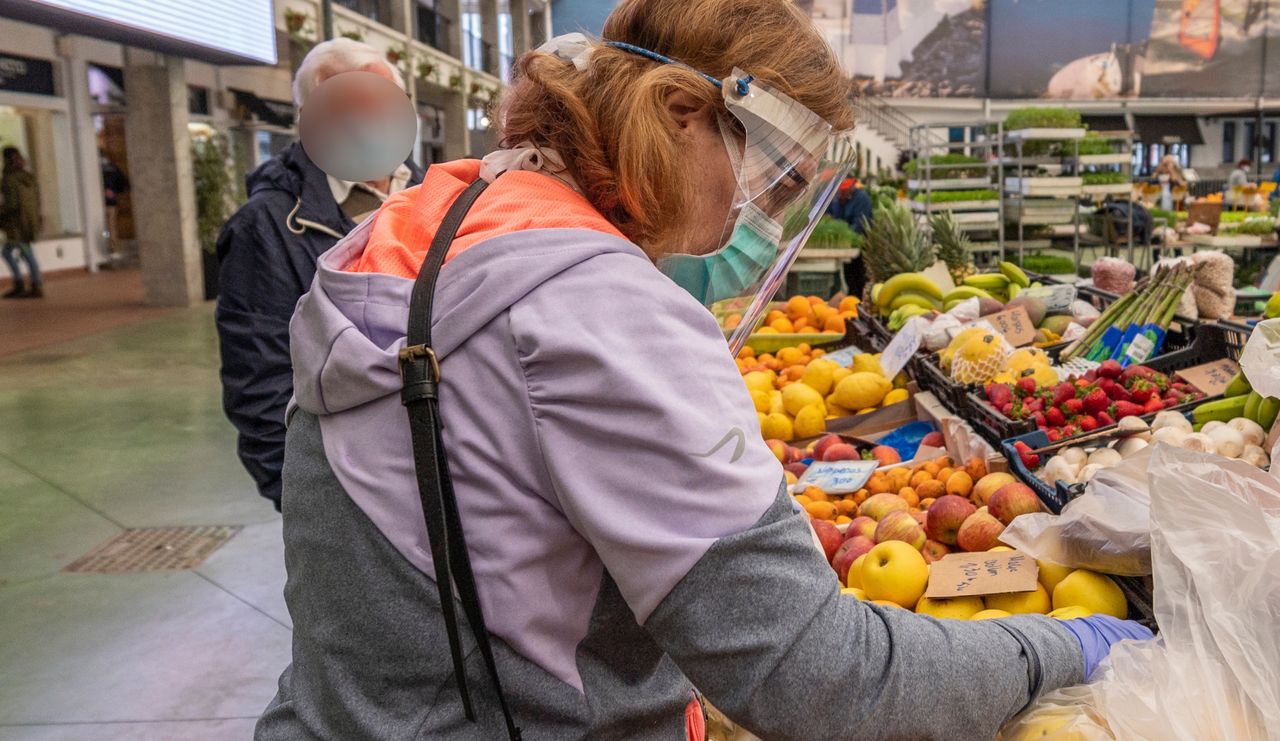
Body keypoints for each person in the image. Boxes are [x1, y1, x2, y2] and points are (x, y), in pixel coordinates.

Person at [257, 1, 1151, 738]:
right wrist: (1066, 646)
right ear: (680, 115)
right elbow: (822, 677)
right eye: (771, 178)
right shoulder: (601, 309)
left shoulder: (427, 220)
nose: (751, 222)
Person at [214, 38, 425, 510]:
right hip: (341, 489)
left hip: (439, 471)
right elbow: (259, 381)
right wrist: (303, 501)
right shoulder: (265, 226)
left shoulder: (436, 196)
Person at [1, 147, 43, 299]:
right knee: (24, 252)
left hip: (16, 224)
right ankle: (32, 284)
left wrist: (1, 213)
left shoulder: (10, 179)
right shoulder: (27, 177)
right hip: (28, 221)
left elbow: (11, 204)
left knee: (15, 252)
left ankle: (29, 284)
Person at [827, 176, 873, 296]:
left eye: (844, 190)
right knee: (849, 277)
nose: (841, 193)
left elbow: (860, 224)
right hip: (846, 247)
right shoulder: (836, 199)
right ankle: (852, 299)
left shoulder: (862, 199)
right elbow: (829, 215)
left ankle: (860, 300)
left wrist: (843, 236)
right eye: (839, 190)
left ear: (852, 187)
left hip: (860, 244)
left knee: (860, 277)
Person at [100, 150, 130, 261]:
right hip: (111, 203)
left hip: (99, 204)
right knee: (111, 227)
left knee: (106, 227)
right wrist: (114, 192)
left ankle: (107, 248)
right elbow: (125, 184)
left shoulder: (96, 169)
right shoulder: (113, 168)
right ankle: (113, 249)